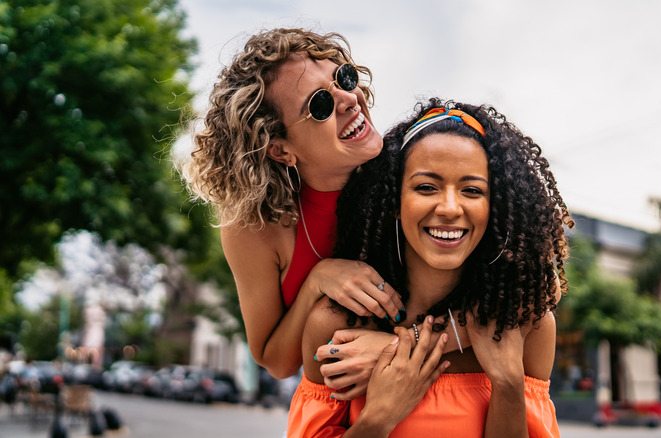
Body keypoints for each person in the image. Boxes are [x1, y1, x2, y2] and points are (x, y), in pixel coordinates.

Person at [288, 99, 573, 437]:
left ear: (492, 208)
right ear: (395, 201)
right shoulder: (337, 325)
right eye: (426, 187)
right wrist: (378, 418)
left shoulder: (529, 327)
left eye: (472, 190)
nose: (450, 208)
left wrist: (508, 384)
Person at [180, 28, 405, 381]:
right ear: (281, 149)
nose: (348, 99)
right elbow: (276, 361)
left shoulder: (418, 178)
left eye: (343, 78)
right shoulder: (256, 227)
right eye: (320, 105)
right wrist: (318, 280)